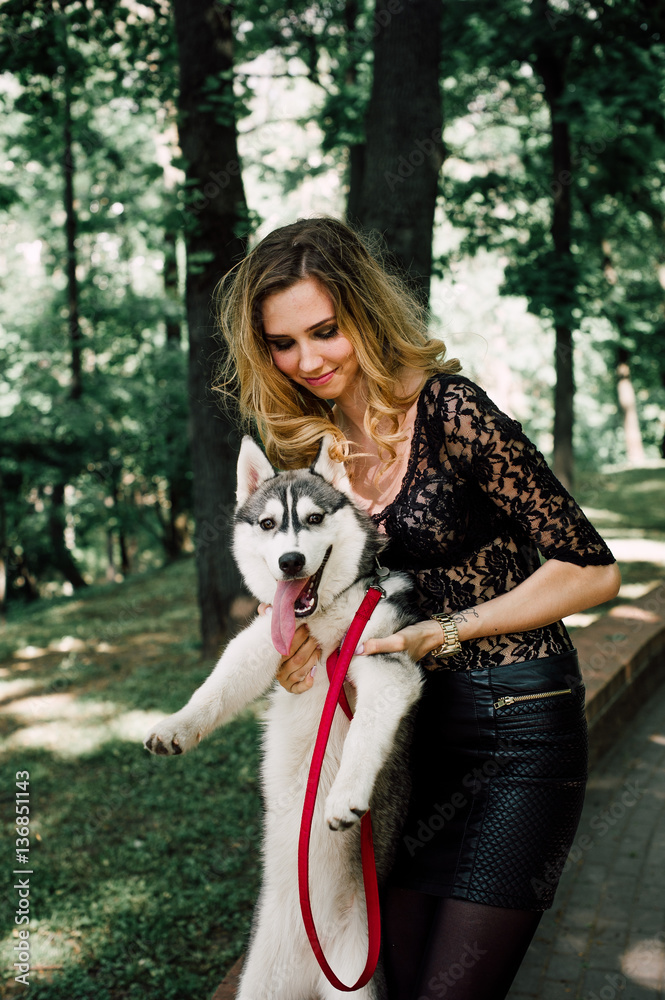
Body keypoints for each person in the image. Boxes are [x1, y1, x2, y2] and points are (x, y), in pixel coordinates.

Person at [216, 217, 621, 1000]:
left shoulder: (451, 412)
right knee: (383, 982)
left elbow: (590, 570)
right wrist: (300, 639)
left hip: (519, 729)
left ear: (362, 313)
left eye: (324, 331)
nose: (309, 360)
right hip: (414, 746)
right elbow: (344, 597)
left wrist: (445, 632)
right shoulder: (321, 453)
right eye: (284, 343)